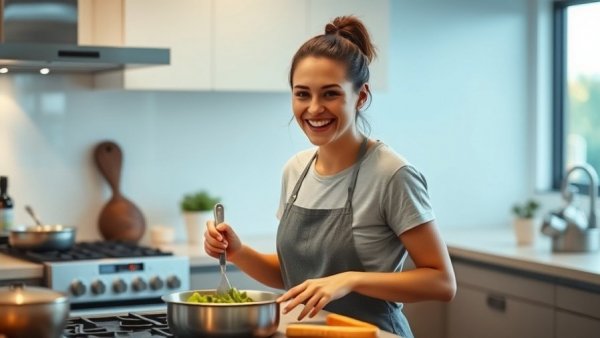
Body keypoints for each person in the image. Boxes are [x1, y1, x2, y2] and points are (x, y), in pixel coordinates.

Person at [204, 15, 456, 337]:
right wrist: (237, 251)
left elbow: (442, 281)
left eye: (330, 94)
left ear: (361, 96)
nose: (313, 109)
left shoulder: (392, 174)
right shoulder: (295, 169)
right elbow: (296, 277)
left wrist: (350, 279)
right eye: (302, 94)